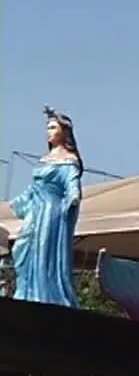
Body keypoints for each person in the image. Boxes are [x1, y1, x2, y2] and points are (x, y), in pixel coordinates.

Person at [8, 107, 83, 307]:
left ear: (64, 131)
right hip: (35, 208)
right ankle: (26, 292)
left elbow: (71, 182)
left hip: (51, 211)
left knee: (44, 250)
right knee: (21, 247)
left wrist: (74, 197)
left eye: (53, 127)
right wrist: (18, 202)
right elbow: (34, 186)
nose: (48, 132)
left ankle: (47, 295)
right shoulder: (44, 159)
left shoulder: (69, 160)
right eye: (47, 128)